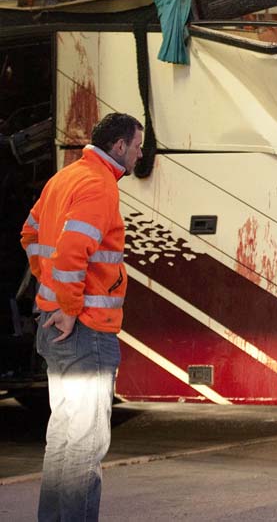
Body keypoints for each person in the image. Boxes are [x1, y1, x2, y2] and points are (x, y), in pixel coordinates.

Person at [21, 113, 143, 522]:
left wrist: (51, 295)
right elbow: (73, 251)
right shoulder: (98, 186)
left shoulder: (65, 178)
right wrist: (69, 308)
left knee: (62, 439)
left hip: (56, 326)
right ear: (120, 147)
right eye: (138, 146)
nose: (141, 154)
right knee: (84, 446)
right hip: (85, 330)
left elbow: (30, 234)